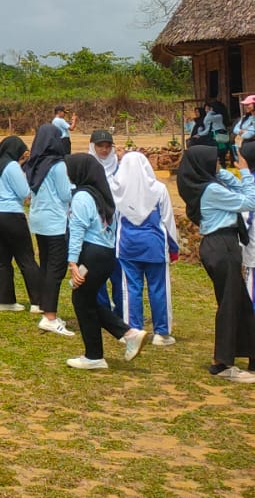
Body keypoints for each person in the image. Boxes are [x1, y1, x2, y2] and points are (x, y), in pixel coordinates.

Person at [178, 144, 255, 381]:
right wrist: (245, 173)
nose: (219, 162)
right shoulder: (210, 190)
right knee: (230, 304)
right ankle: (222, 364)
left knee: (240, 302)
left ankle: (250, 354)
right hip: (221, 245)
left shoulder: (207, 185)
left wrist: (221, 172)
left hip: (222, 244)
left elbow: (232, 188)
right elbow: (249, 202)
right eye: (214, 161)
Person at [63, 154, 146, 370]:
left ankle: (96, 355)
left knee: (81, 300)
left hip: (91, 253)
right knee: (87, 300)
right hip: (106, 254)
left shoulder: (82, 197)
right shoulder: (101, 195)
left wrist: (72, 264)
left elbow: (77, 231)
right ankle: (127, 334)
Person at [112, 151, 179, 345]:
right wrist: (173, 247)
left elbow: (113, 220)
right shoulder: (159, 189)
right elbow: (168, 220)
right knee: (158, 288)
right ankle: (162, 332)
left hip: (127, 246)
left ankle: (133, 330)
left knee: (131, 289)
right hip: (154, 246)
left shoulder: (117, 190)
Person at [26, 124, 76, 336]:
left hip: (39, 220)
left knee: (46, 266)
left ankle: (45, 308)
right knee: (56, 269)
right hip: (55, 221)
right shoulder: (57, 165)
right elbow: (66, 194)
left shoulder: (34, 163)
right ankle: (50, 316)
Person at [0, 136, 41, 311]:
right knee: (26, 258)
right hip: (11, 214)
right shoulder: (12, 166)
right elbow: (24, 192)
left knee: (2, 259)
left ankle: (4, 301)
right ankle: (38, 301)